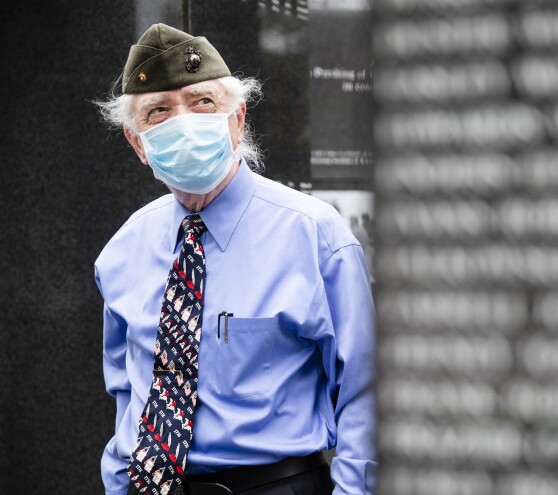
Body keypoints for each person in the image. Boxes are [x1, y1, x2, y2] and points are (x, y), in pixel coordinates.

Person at [93, 23, 376, 495]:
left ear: (238, 119)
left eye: (202, 102)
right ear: (137, 143)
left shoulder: (314, 234)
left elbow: (366, 395)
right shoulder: (122, 251)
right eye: (158, 110)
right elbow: (129, 397)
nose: (181, 122)